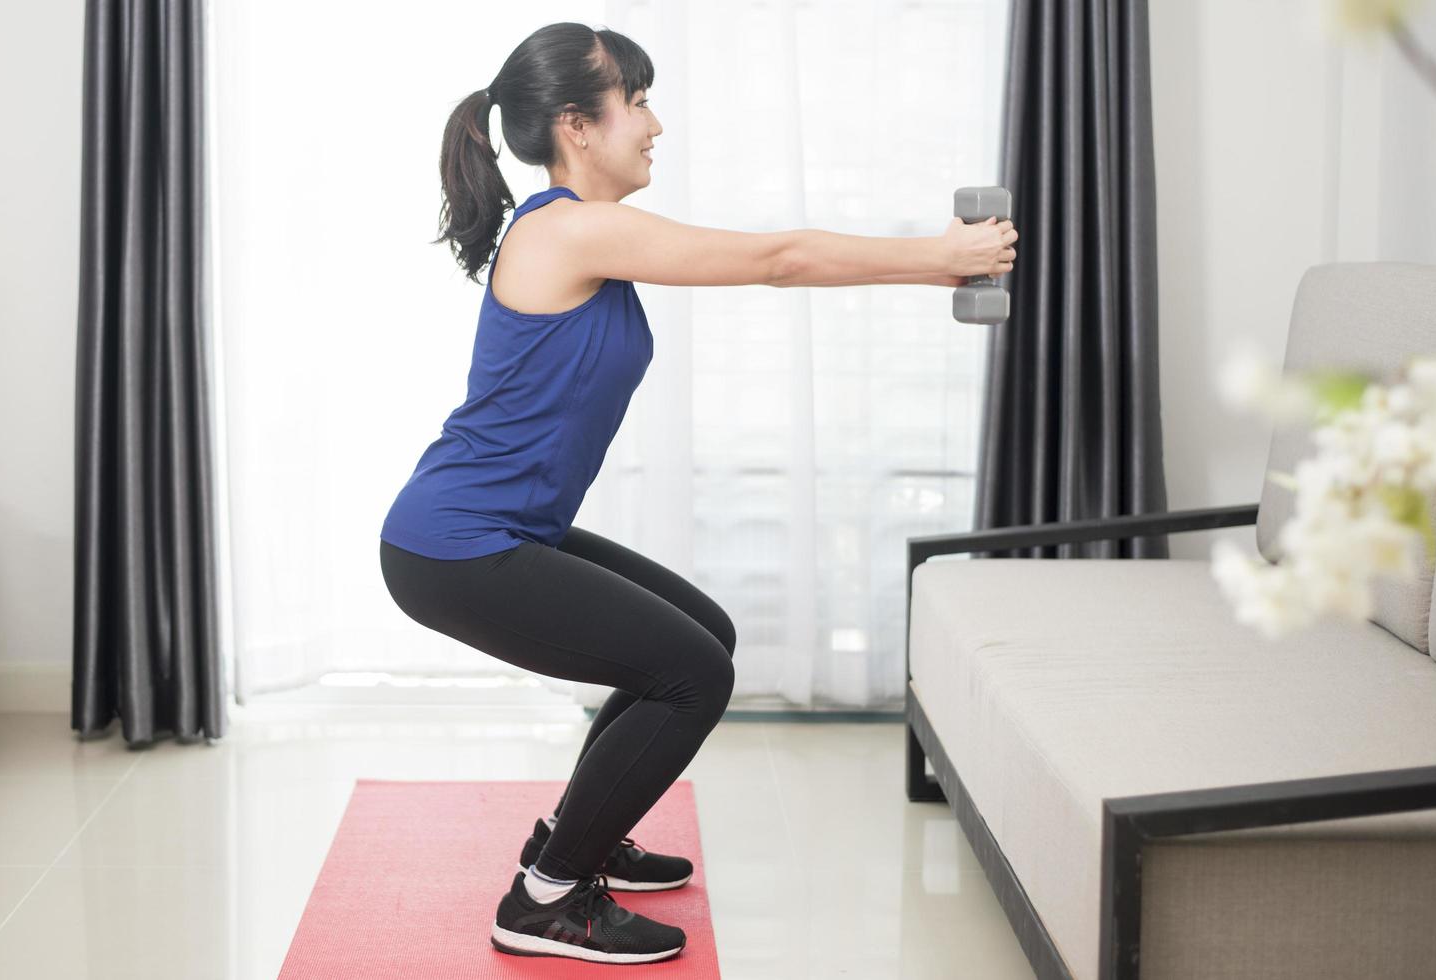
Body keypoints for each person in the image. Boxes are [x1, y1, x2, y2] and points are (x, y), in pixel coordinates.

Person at [378, 21, 1018, 967]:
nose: (654, 122)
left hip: (497, 528)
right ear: (575, 125)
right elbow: (777, 259)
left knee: (701, 636)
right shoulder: (569, 227)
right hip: (456, 546)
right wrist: (938, 257)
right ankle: (547, 897)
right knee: (694, 676)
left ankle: (579, 834)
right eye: (634, 100)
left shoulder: (579, 232)